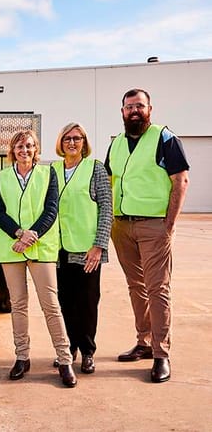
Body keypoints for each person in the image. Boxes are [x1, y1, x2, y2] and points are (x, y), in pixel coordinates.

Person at [105, 88, 190, 383]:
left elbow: (180, 180)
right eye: (129, 107)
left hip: (154, 225)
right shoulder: (116, 144)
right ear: (122, 112)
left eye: (139, 106)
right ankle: (143, 342)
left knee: (158, 289)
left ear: (149, 109)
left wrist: (169, 225)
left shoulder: (165, 139)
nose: (134, 111)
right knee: (136, 286)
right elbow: (109, 181)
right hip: (121, 226)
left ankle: (161, 353)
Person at [0, 129, 77, 387]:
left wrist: (32, 235)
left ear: (36, 149)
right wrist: (19, 233)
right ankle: (22, 357)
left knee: (51, 304)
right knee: (18, 304)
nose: (24, 150)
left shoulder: (48, 173)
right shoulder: (2, 176)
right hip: (12, 247)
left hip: (41, 247)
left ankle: (65, 360)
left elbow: (51, 209)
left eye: (29, 145)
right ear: (12, 150)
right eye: (19, 146)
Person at [51, 122, 112, 374]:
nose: (72, 143)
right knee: (64, 301)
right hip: (58, 248)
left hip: (87, 249)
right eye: (67, 138)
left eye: (77, 138)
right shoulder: (52, 170)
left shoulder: (95, 168)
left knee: (86, 301)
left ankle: (87, 351)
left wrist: (99, 245)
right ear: (61, 142)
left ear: (84, 143)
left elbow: (106, 208)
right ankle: (69, 349)